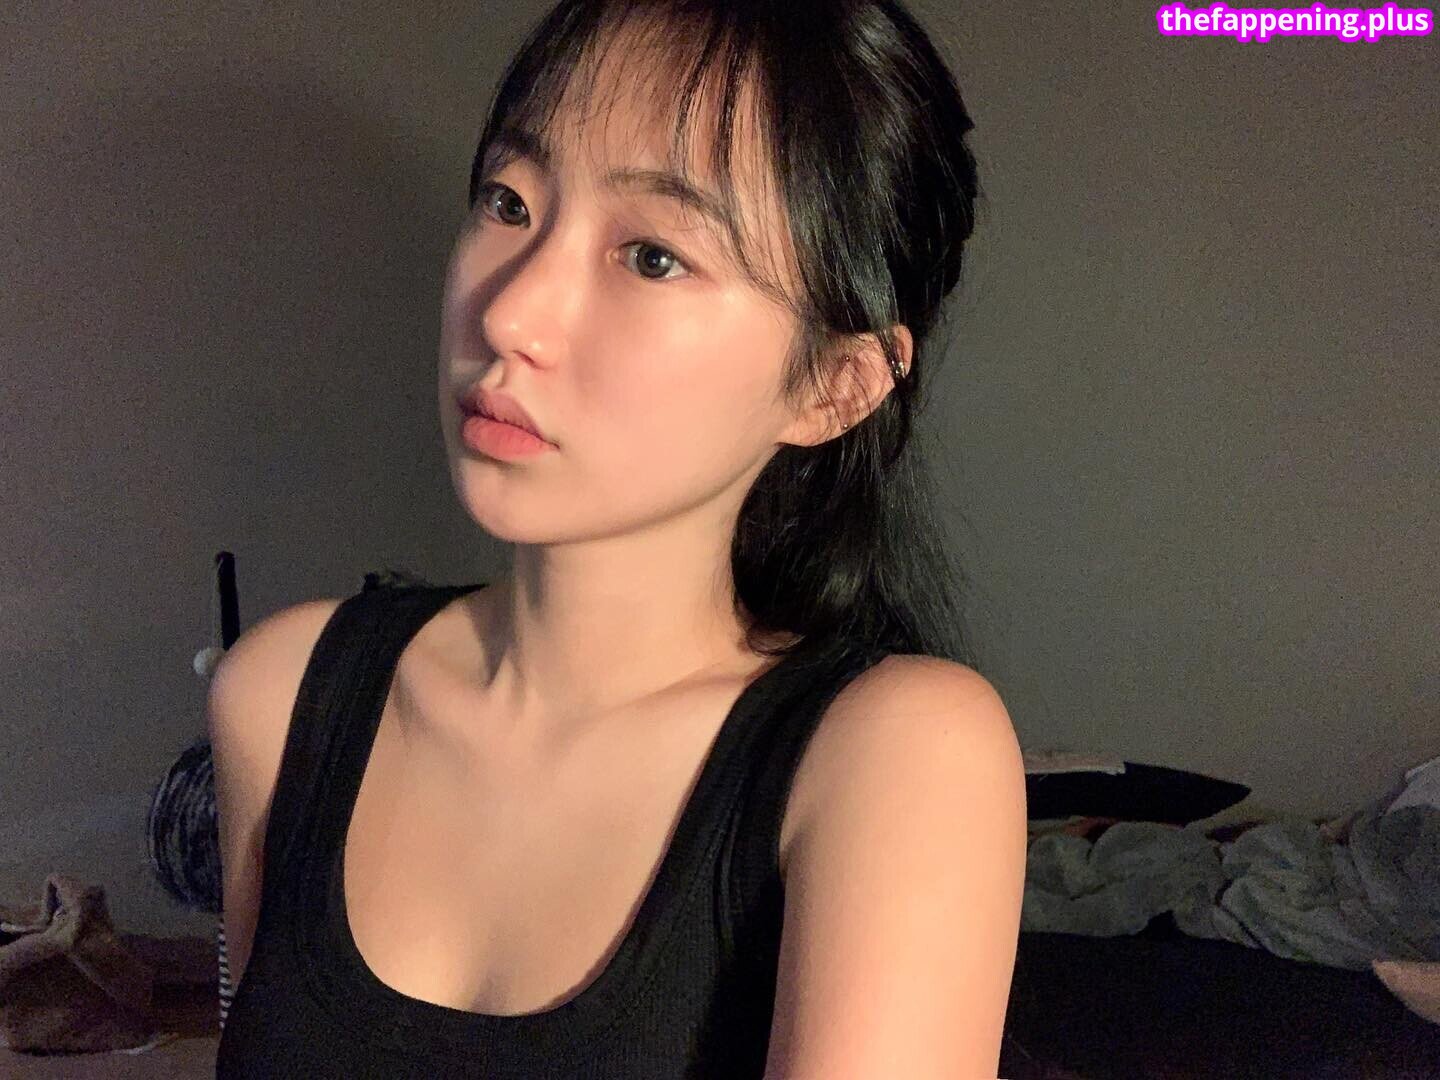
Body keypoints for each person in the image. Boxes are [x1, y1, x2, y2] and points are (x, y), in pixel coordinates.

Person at [209, 0, 1028, 1076]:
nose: (509, 315)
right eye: (509, 201)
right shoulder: (281, 693)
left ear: (836, 385)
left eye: (651, 256)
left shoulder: (895, 757)